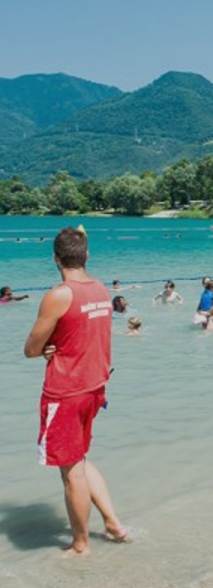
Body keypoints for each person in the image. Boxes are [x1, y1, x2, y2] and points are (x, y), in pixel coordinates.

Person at [23, 226, 128, 555]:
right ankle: (113, 524)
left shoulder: (59, 294)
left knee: (70, 471)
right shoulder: (99, 289)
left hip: (66, 392)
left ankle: (80, 545)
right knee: (79, 460)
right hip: (95, 387)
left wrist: (46, 349)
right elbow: (82, 334)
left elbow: (30, 348)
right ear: (86, 255)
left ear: (55, 257)